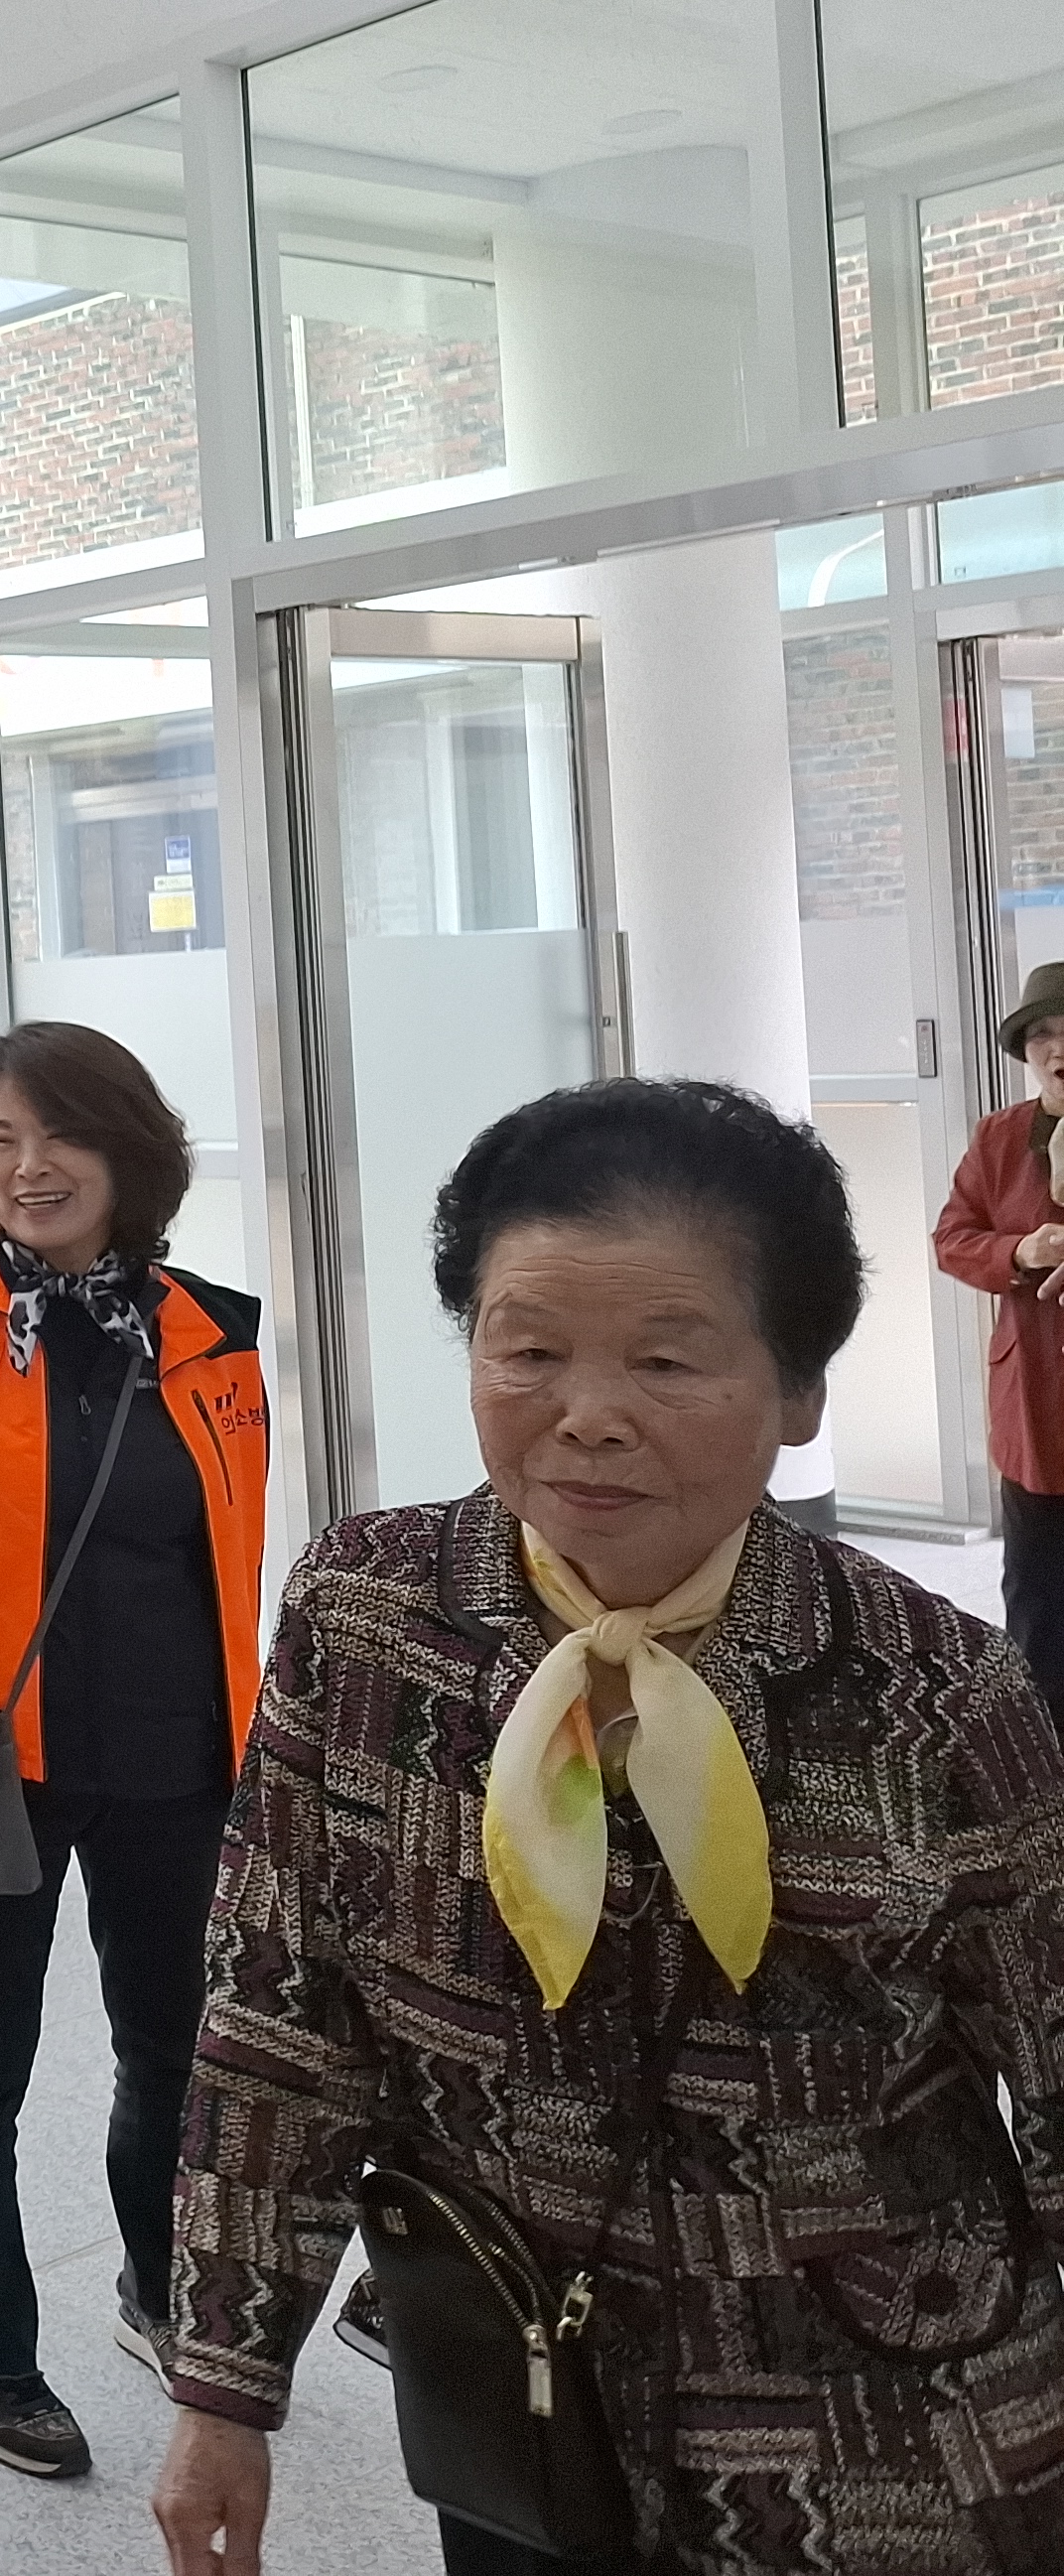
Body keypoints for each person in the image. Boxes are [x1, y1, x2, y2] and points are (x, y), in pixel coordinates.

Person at [155, 1078, 1064, 2575]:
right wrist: (224, 2387)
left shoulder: (936, 1690)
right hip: (525, 2406)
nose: (586, 1415)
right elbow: (281, 2015)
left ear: (799, 1390)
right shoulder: (368, 1619)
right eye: (528, 1350)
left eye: (666, 1359)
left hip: (885, 2442)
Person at [0, 1021, 270, 2483]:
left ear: (128, 1151)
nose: (28, 1167)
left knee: (175, 2044)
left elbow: (215, 1546)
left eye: (60, 1134)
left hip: (174, 1749)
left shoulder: (208, 1332)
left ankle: (162, 2291)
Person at [929, 956, 1064, 1725]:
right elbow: (953, 1239)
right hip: (1036, 1401)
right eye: (1042, 1034)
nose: (1057, 1048)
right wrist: (1019, 1250)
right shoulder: (1000, 1137)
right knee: (1038, 1590)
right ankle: (1041, 1742)